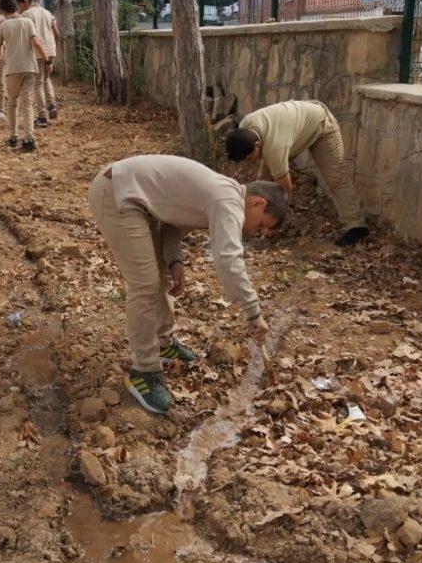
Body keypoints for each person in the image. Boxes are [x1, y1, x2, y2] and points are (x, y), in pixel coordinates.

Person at [89, 154, 287, 415]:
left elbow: (172, 218)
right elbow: (228, 260)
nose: (254, 232)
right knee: (145, 284)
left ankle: (164, 341)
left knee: (160, 277)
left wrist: (174, 260)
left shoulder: (224, 192)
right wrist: (254, 312)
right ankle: (143, 372)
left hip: (135, 196)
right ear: (257, 203)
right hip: (116, 195)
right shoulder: (228, 202)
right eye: (260, 224)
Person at [225, 99, 368, 248]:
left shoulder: (274, 148)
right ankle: (244, 218)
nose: (248, 162)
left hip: (321, 125)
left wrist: (275, 225)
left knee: (336, 178)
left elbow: (286, 191)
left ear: (257, 145)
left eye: (248, 158)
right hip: (292, 127)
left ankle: (357, 226)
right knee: (262, 183)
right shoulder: (244, 127)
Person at [0, 0, 48, 152]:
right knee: (27, 103)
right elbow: (36, 43)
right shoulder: (28, 22)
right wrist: (47, 58)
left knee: (13, 103)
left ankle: (14, 136)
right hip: (29, 67)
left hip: (12, 69)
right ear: (16, 7)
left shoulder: (3, 26)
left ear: (2, 10)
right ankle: (29, 138)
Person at [16, 0, 59, 126]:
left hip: (38, 51)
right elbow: (56, 32)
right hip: (50, 49)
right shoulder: (47, 12)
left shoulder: (27, 15)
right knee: (46, 79)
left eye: (20, 5)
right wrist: (53, 47)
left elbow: (26, 37)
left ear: (25, 2)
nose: (20, 9)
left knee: (38, 83)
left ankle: (42, 116)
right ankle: (51, 104)